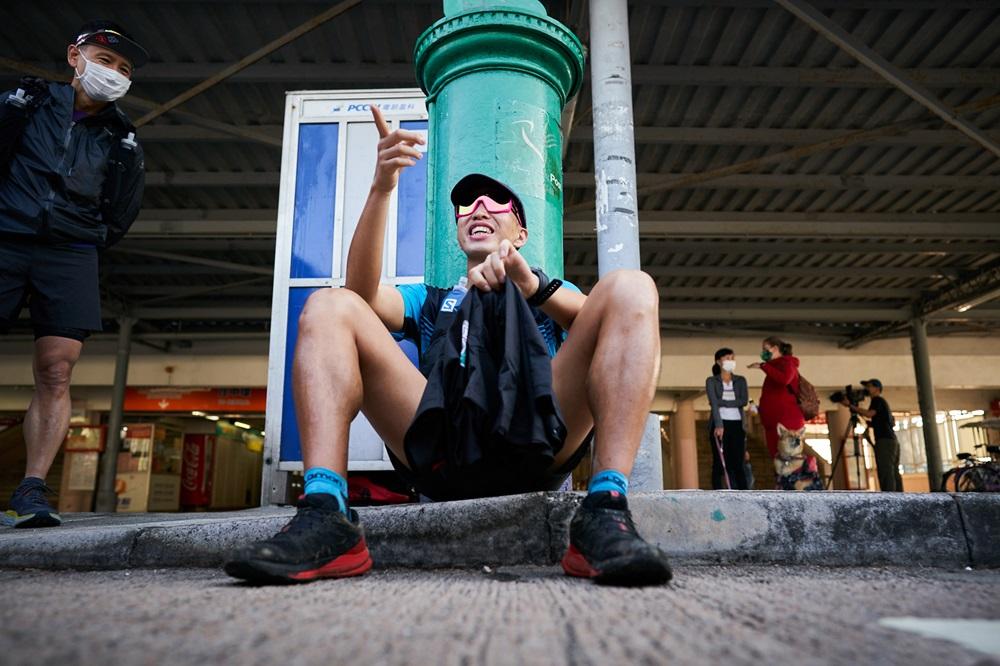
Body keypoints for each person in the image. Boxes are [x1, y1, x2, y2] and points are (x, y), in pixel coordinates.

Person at [226, 106, 672, 586]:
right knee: (330, 305)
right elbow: (360, 294)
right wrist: (382, 187)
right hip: (439, 448)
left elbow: (620, 320)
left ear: (521, 233)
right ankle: (325, 510)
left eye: (497, 202)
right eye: (468, 204)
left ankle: (605, 507)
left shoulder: (550, 296)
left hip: (541, 445)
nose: (479, 207)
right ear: (459, 227)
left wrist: (532, 287)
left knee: (632, 287)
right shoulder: (431, 298)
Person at [1, 21, 147, 528]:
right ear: (74, 56)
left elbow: (122, 209)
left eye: (124, 69)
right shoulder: (26, 103)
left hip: (71, 250)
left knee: (57, 370)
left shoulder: (122, 137)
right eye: (105, 61)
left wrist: (84, 237)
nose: (114, 73)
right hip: (5, 235)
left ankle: (33, 488)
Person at [748, 336, 804, 467]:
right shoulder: (773, 369)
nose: (763, 352)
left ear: (775, 349)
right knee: (778, 462)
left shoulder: (787, 363)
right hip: (773, 424)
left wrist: (763, 366)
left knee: (789, 462)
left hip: (787, 423)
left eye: (765, 349)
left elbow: (785, 379)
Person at [844, 379, 902, 492]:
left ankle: (889, 499)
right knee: (892, 471)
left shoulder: (877, 400)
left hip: (884, 441)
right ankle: (899, 497)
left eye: (869, 386)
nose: (866, 389)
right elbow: (887, 422)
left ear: (877, 389)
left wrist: (851, 406)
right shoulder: (882, 403)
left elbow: (869, 414)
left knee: (885, 471)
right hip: (892, 441)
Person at [705, 348, 749, 489]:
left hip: (737, 424)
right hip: (720, 424)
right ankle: (717, 491)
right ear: (718, 361)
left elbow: (743, 401)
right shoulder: (712, 381)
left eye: (732, 358)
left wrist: (723, 402)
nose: (730, 361)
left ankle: (743, 492)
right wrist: (719, 425)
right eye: (726, 358)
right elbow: (714, 403)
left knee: (738, 462)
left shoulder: (740, 380)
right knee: (719, 461)